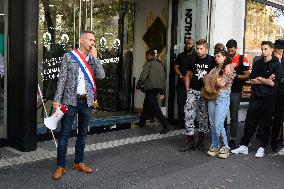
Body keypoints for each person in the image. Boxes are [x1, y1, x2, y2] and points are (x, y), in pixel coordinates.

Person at [52, 31, 105, 180]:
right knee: (64, 135)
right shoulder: (69, 57)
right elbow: (62, 80)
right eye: (90, 40)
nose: (92, 43)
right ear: (81, 40)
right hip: (70, 100)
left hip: (86, 101)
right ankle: (60, 166)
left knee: (83, 134)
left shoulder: (92, 59)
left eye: (94, 40)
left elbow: (101, 76)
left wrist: (96, 59)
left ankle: (78, 162)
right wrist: (57, 98)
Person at [231, 41, 282, 158]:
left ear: (271, 50)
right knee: (249, 122)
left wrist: (260, 78)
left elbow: (272, 83)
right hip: (256, 98)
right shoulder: (258, 63)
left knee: (266, 124)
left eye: (266, 49)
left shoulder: (276, 64)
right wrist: (264, 79)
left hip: (269, 99)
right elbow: (252, 80)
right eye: (262, 49)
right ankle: (244, 145)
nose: (263, 51)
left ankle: (262, 147)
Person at [178, 39, 215, 152]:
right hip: (193, 91)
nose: (198, 51)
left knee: (203, 117)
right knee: (189, 115)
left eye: (201, 49)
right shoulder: (191, 58)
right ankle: (190, 142)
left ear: (206, 49)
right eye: (197, 48)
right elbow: (188, 75)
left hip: (204, 92)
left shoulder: (211, 60)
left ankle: (200, 142)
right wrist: (187, 89)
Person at [205, 50, 235, 159]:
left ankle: (225, 147)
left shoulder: (229, 68)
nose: (216, 58)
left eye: (218, 56)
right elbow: (205, 80)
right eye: (215, 56)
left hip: (223, 97)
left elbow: (222, 83)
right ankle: (215, 145)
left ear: (225, 57)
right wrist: (213, 80)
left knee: (218, 123)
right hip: (212, 96)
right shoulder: (214, 69)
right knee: (213, 123)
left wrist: (211, 79)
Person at [136, 49, 170, 134]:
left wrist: (138, 86)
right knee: (146, 104)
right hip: (157, 88)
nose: (145, 57)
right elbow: (163, 78)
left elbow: (143, 76)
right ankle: (142, 122)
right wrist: (162, 91)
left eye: (146, 55)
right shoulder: (160, 64)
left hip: (150, 88)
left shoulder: (148, 64)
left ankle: (165, 125)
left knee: (156, 107)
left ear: (148, 55)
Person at [225, 39, 250, 149]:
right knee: (223, 116)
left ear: (236, 48)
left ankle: (232, 139)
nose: (230, 52)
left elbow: (247, 75)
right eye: (228, 50)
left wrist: (237, 76)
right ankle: (223, 138)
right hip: (224, 90)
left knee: (234, 116)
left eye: (232, 50)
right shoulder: (225, 57)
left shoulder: (242, 59)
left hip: (235, 91)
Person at [174, 38, 196, 129]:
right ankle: (180, 122)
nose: (188, 45)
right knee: (180, 103)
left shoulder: (196, 56)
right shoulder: (180, 56)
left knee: (191, 104)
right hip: (181, 83)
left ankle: (190, 123)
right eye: (187, 44)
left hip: (193, 84)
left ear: (193, 45)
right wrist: (181, 76)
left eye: (190, 44)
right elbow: (176, 67)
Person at [270, 39, 284, 152]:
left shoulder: (279, 61)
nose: (277, 51)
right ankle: (272, 141)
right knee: (272, 118)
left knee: (279, 118)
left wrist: (279, 62)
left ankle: (276, 140)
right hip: (271, 92)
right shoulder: (270, 59)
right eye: (276, 49)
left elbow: (280, 77)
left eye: (280, 49)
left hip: (281, 93)